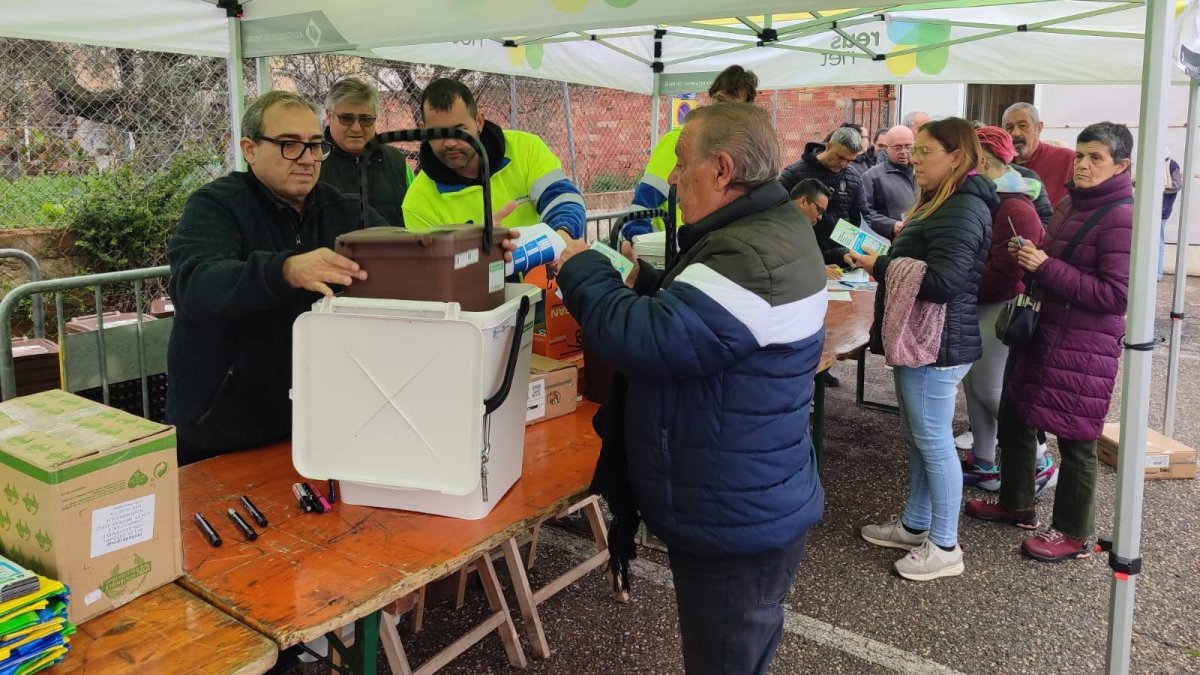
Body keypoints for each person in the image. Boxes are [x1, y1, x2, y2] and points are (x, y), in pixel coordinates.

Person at [556, 102, 826, 674]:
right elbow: (705, 322)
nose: (674, 178)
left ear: (722, 169)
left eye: (681, 163)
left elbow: (648, 339)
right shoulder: (762, 229)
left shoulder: (750, 251)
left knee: (725, 660)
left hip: (734, 512)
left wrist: (581, 270)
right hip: (748, 494)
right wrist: (641, 278)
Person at [166, 91, 383, 465]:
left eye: (315, 146)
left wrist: (469, 245)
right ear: (250, 149)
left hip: (318, 421)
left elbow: (402, 256)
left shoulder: (345, 208)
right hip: (222, 431)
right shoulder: (216, 206)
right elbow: (196, 284)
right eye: (289, 145)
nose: (307, 159)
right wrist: (285, 270)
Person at [966, 122, 1135, 563]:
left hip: (1083, 346)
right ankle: (1016, 504)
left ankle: (1075, 534)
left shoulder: (1121, 215)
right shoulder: (1070, 201)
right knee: (1016, 416)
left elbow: (1116, 296)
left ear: (1121, 165)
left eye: (1095, 157)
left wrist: (1043, 266)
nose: (1082, 164)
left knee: (1077, 438)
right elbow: (1055, 260)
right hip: (1044, 331)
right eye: (1080, 155)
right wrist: (1035, 258)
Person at [851, 118, 995, 581]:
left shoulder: (961, 207)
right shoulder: (945, 201)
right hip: (928, 342)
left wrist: (883, 264)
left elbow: (942, 281)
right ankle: (916, 524)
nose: (914, 160)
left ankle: (945, 544)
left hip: (936, 345)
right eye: (913, 151)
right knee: (920, 437)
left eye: (924, 151)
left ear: (956, 156)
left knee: (934, 442)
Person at [960, 126, 1055, 494]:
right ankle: (984, 462)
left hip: (1000, 306)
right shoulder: (994, 198)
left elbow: (1007, 269)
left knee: (990, 389)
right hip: (983, 304)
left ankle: (1040, 459)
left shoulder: (1014, 204)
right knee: (974, 386)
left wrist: (964, 284)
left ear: (982, 160)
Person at [402, 78, 585, 239]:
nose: (450, 142)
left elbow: (562, 199)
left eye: (459, 130)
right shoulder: (417, 203)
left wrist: (562, 237)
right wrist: (474, 247)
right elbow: (435, 273)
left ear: (479, 122)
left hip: (543, 274)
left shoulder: (525, 148)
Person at [621, 65, 759, 240]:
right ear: (712, 99)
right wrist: (645, 250)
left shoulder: (738, 150)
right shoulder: (680, 140)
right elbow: (642, 207)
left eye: (735, 107)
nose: (724, 112)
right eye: (721, 100)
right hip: (670, 249)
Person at [318, 77, 415, 226]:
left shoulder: (396, 160)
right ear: (329, 116)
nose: (356, 127)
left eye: (365, 119)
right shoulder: (313, 161)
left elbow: (415, 213)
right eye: (346, 118)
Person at [779, 126, 871, 265]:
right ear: (829, 146)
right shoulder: (794, 173)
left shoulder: (853, 177)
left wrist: (855, 252)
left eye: (849, 160)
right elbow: (778, 215)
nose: (843, 164)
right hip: (804, 257)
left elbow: (862, 219)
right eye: (840, 157)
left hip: (843, 257)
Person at [1003, 102, 1075, 208]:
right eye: (1009, 128)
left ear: (1039, 128)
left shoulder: (1066, 159)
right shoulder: (999, 165)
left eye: (1023, 126)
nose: (1015, 133)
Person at [862, 125, 917, 239]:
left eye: (908, 146)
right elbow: (864, 211)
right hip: (892, 240)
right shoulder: (872, 176)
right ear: (887, 148)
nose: (904, 151)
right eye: (897, 147)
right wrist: (892, 225)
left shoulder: (924, 170)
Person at [790, 178, 841, 279]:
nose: (820, 217)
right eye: (819, 210)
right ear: (803, 202)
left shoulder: (802, 227)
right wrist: (812, 269)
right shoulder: (777, 226)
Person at [1160, 149, 1183, 280]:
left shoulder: (1172, 165)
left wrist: (1159, 186)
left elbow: (1177, 185)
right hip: (1150, 209)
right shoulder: (1152, 163)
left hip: (1162, 209)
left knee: (1158, 242)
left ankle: (1157, 273)